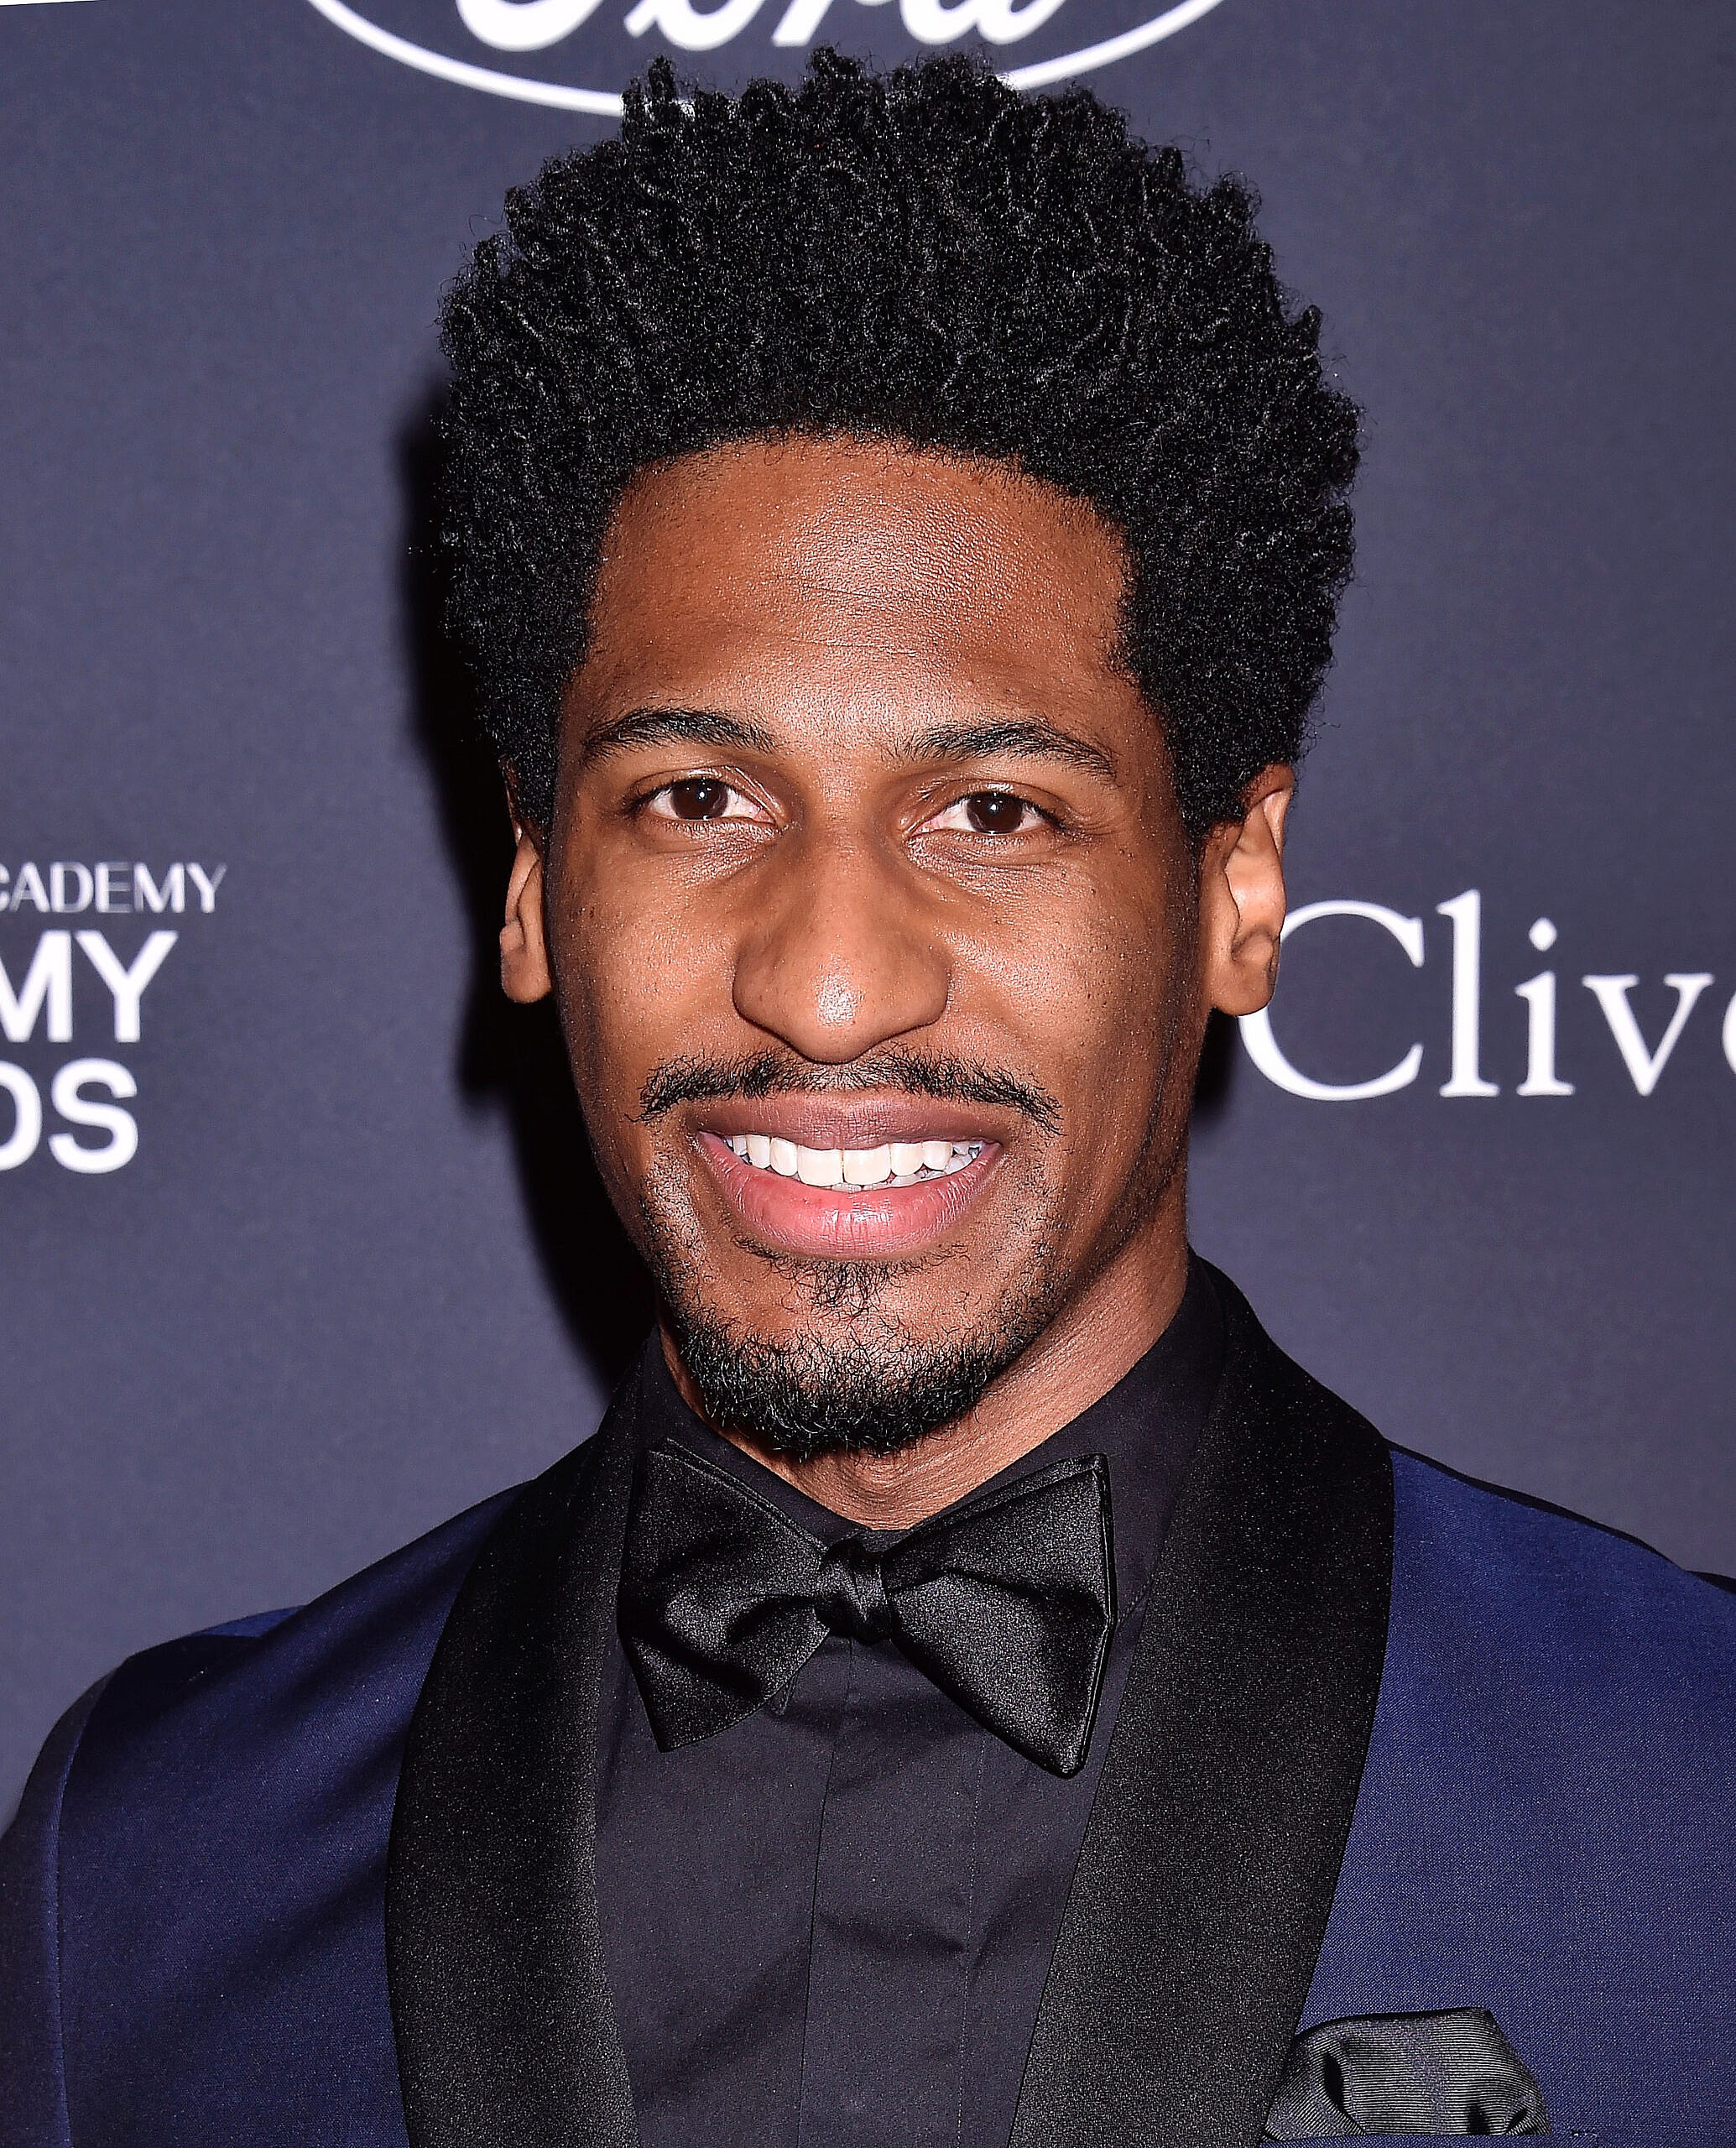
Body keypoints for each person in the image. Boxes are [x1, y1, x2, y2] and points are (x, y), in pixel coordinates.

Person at [3, 50, 1731, 2148]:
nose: (827, 983)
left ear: (1237, 888)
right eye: (699, 796)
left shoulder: (1697, 1793)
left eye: (992, 808)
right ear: (538, 874)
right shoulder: (149, 1860)